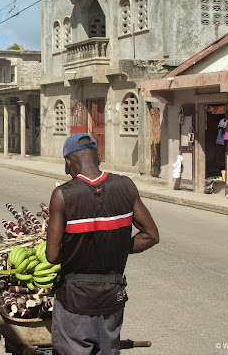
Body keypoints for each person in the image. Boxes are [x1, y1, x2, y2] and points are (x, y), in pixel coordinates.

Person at [46, 133, 159, 355]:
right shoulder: (126, 186)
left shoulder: (62, 195)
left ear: (70, 162)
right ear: (97, 158)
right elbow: (151, 235)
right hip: (112, 297)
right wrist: (114, 247)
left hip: (75, 301)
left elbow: (52, 255)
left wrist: (80, 253)